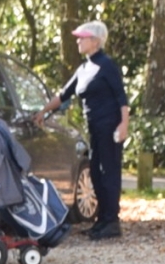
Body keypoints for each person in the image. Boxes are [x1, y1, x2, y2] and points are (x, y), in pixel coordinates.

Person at [45, 21, 127, 241]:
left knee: (109, 172)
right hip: (94, 129)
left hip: (110, 127)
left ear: (96, 41)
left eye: (83, 37)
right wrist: (41, 112)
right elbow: (63, 94)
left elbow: (122, 98)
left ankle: (112, 221)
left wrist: (124, 124)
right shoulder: (84, 68)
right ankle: (102, 220)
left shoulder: (107, 66)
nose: (78, 41)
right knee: (96, 174)